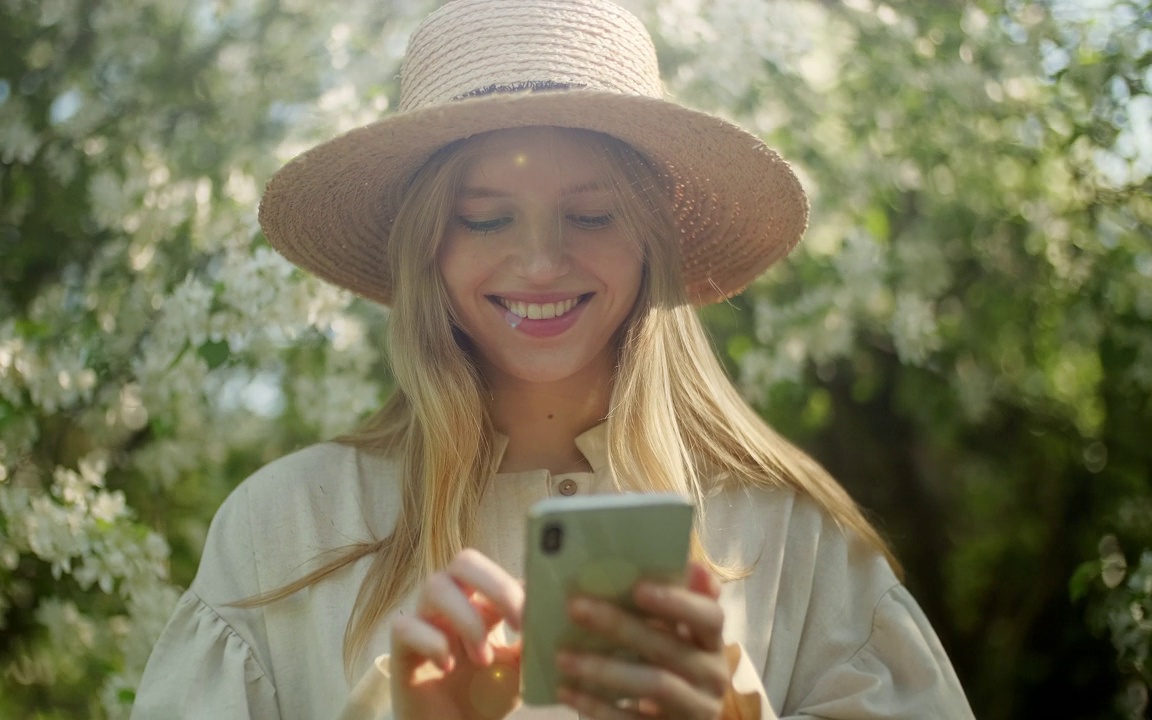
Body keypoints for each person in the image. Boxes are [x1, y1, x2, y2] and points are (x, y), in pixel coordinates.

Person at [134, 0, 976, 718]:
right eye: (486, 219)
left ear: (652, 238)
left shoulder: (793, 536)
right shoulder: (282, 533)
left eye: (594, 215)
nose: (540, 263)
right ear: (425, 246)